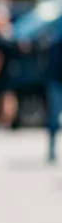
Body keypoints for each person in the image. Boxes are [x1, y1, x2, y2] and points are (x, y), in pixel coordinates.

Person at [0, 6, 28, 130]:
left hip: (3, 72)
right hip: (13, 71)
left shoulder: (0, 37)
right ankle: (6, 123)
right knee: (8, 96)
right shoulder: (13, 34)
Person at [47, 27, 62, 163]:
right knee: (53, 118)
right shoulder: (56, 39)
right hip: (57, 83)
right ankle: (51, 148)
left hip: (55, 82)